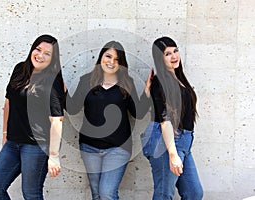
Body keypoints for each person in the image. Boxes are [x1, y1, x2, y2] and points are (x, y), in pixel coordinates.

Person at [65, 41, 152, 200]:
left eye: (117, 59)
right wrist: (61, 88)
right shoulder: (86, 81)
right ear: (101, 57)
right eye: (108, 56)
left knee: (107, 193)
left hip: (118, 149)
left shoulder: (126, 83)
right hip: (89, 147)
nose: (111, 62)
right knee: (97, 194)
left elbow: (137, 113)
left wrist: (146, 90)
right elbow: (73, 108)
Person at [0, 34, 65, 200]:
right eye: (38, 49)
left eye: (47, 54)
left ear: (52, 59)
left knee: (31, 194)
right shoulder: (20, 69)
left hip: (36, 146)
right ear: (32, 49)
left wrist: (54, 156)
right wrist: (5, 134)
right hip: (13, 143)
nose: (40, 55)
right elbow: (8, 103)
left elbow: (57, 120)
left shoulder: (52, 80)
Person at [141, 36, 203, 200]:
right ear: (160, 59)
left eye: (175, 51)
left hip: (184, 141)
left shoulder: (178, 78)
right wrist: (172, 154)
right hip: (165, 141)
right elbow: (165, 120)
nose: (174, 56)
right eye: (167, 54)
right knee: (163, 195)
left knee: (194, 193)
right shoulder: (160, 81)